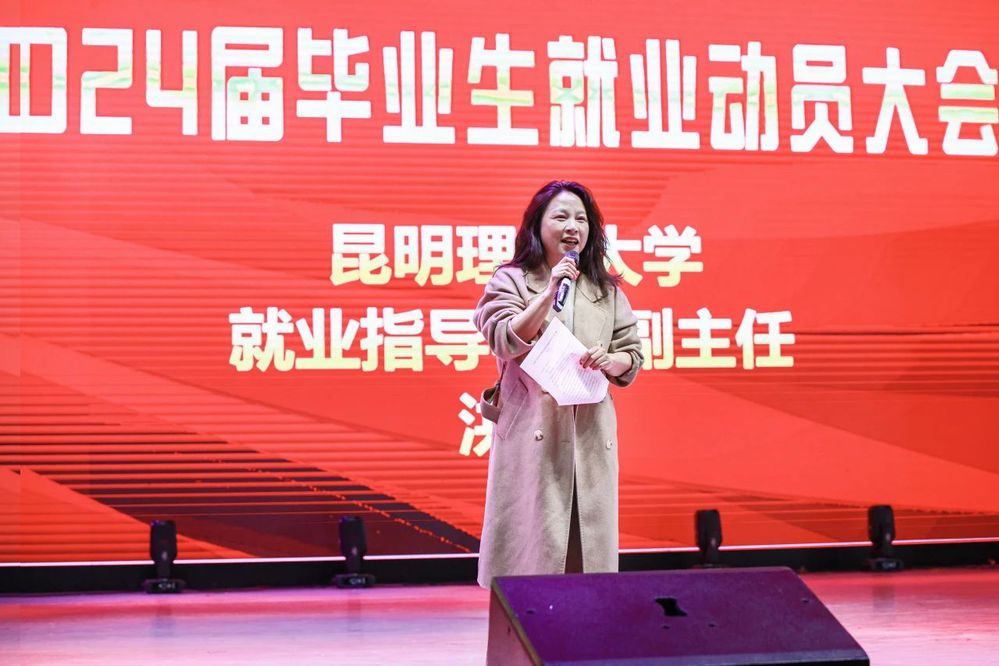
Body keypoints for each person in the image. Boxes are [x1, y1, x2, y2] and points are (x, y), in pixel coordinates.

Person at [473, 180, 643, 589]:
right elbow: (503, 337)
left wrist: (611, 360)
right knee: (530, 551)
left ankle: (588, 621)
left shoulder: (605, 290)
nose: (573, 227)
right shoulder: (511, 280)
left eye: (581, 219)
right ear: (537, 225)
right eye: (561, 217)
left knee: (586, 553)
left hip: (589, 430)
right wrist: (549, 291)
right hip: (534, 428)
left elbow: (632, 354)